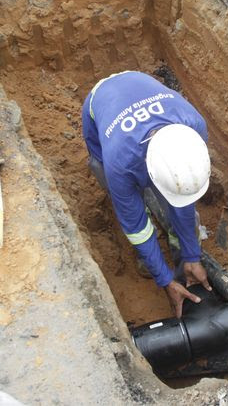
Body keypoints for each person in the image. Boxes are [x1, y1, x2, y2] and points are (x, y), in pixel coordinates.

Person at [81, 71, 212, 317]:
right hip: (100, 101)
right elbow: (136, 226)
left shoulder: (194, 128)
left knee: (179, 205)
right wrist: (164, 279)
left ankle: (182, 262)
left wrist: (192, 256)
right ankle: (154, 260)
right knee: (117, 188)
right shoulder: (120, 163)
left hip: (139, 82)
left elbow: (183, 203)